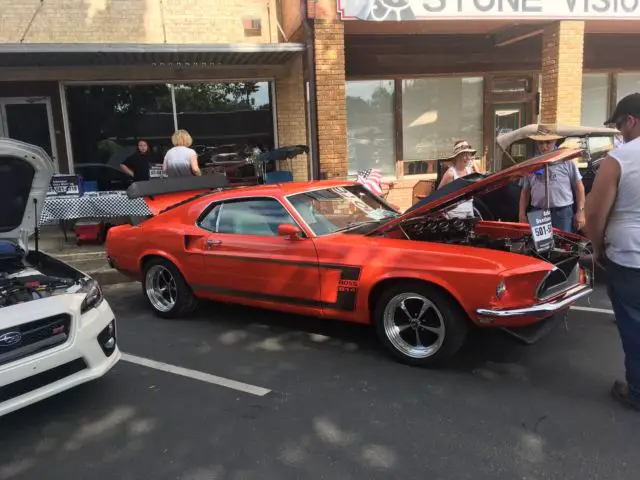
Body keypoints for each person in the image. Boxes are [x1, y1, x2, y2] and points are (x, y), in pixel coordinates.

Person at [585, 92, 640, 411]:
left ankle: (637, 391)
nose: (620, 133)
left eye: (620, 125)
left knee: (634, 326)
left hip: (631, 257)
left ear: (630, 120)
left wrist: (598, 247)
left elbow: (594, 213)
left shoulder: (620, 159)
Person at [518, 125, 585, 232]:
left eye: (548, 142)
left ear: (555, 141)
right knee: (540, 247)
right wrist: (522, 214)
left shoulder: (566, 161)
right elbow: (525, 191)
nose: (544, 147)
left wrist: (581, 211)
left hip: (562, 212)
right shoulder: (531, 165)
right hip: (538, 212)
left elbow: (579, 187)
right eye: (540, 143)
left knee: (564, 245)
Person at [438, 140, 482, 218]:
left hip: (469, 210)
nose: (468, 158)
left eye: (469, 154)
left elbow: (480, 183)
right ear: (457, 157)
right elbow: (438, 194)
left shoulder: (469, 170)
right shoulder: (450, 174)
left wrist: (475, 166)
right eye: (465, 155)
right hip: (454, 213)